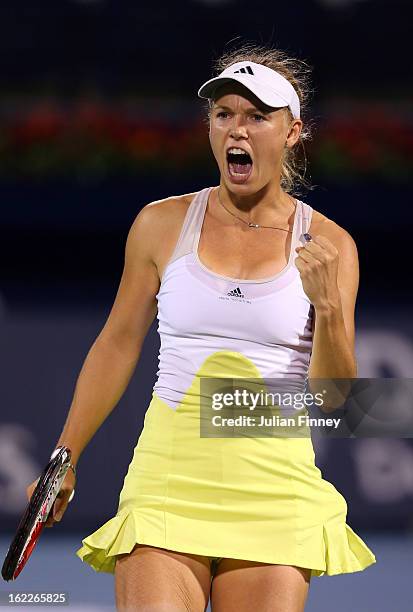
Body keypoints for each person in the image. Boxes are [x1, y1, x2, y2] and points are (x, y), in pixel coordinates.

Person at [27, 44, 376, 611]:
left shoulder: (332, 247)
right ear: (210, 129)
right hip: (169, 478)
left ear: (293, 132)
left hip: (274, 487)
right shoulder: (160, 224)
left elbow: (337, 405)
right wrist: (65, 456)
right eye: (224, 115)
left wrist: (329, 310)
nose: (238, 129)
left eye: (257, 116)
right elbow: (118, 342)